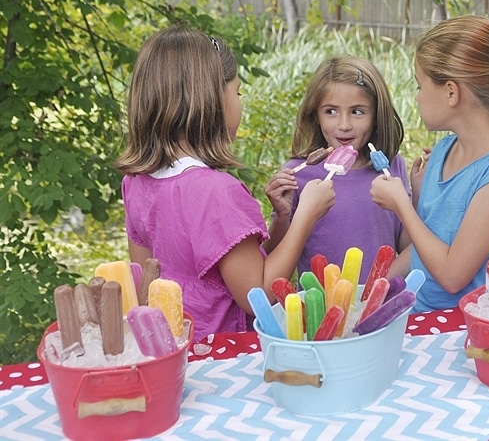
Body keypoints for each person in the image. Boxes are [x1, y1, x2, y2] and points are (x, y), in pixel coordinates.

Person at [115, 24, 335, 340]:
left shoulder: (136, 182)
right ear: (212, 100)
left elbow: (147, 282)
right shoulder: (217, 193)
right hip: (222, 353)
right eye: (238, 91)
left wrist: (282, 219)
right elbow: (256, 294)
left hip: (171, 347)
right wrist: (306, 216)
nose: (240, 102)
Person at [370, 15, 489, 311]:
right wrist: (374, 290)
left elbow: (452, 276)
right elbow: (424, 245)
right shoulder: (444, 150)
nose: (416, 98)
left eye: (420, 86)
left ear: (451, 92)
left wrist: (401, 206)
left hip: (465, 329)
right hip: (419, 314)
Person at [264, 55, 410, 283]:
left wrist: (417, 195)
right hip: (321, 310)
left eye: (357, 111)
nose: (344, 125)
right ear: (316, 115)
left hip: (380, 304)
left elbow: (406, 244)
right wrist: (281, 218)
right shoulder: (298, 174)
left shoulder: (390, 167)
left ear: (376, 116)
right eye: (331, 111)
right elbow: (272, 261)